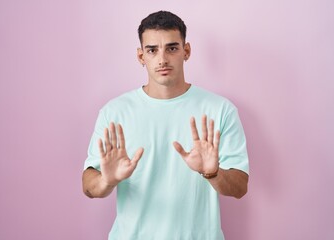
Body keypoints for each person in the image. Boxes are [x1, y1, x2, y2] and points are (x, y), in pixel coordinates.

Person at [82, 10, 249, 240]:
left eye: (172, 48)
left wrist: (212, 173)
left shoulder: (220, 110)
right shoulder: (114, 112)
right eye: (152, 50)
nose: (162, 59)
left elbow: (240, 187)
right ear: (141, 56)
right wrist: (106, 181)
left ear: (186, 51)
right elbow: (88, 184)